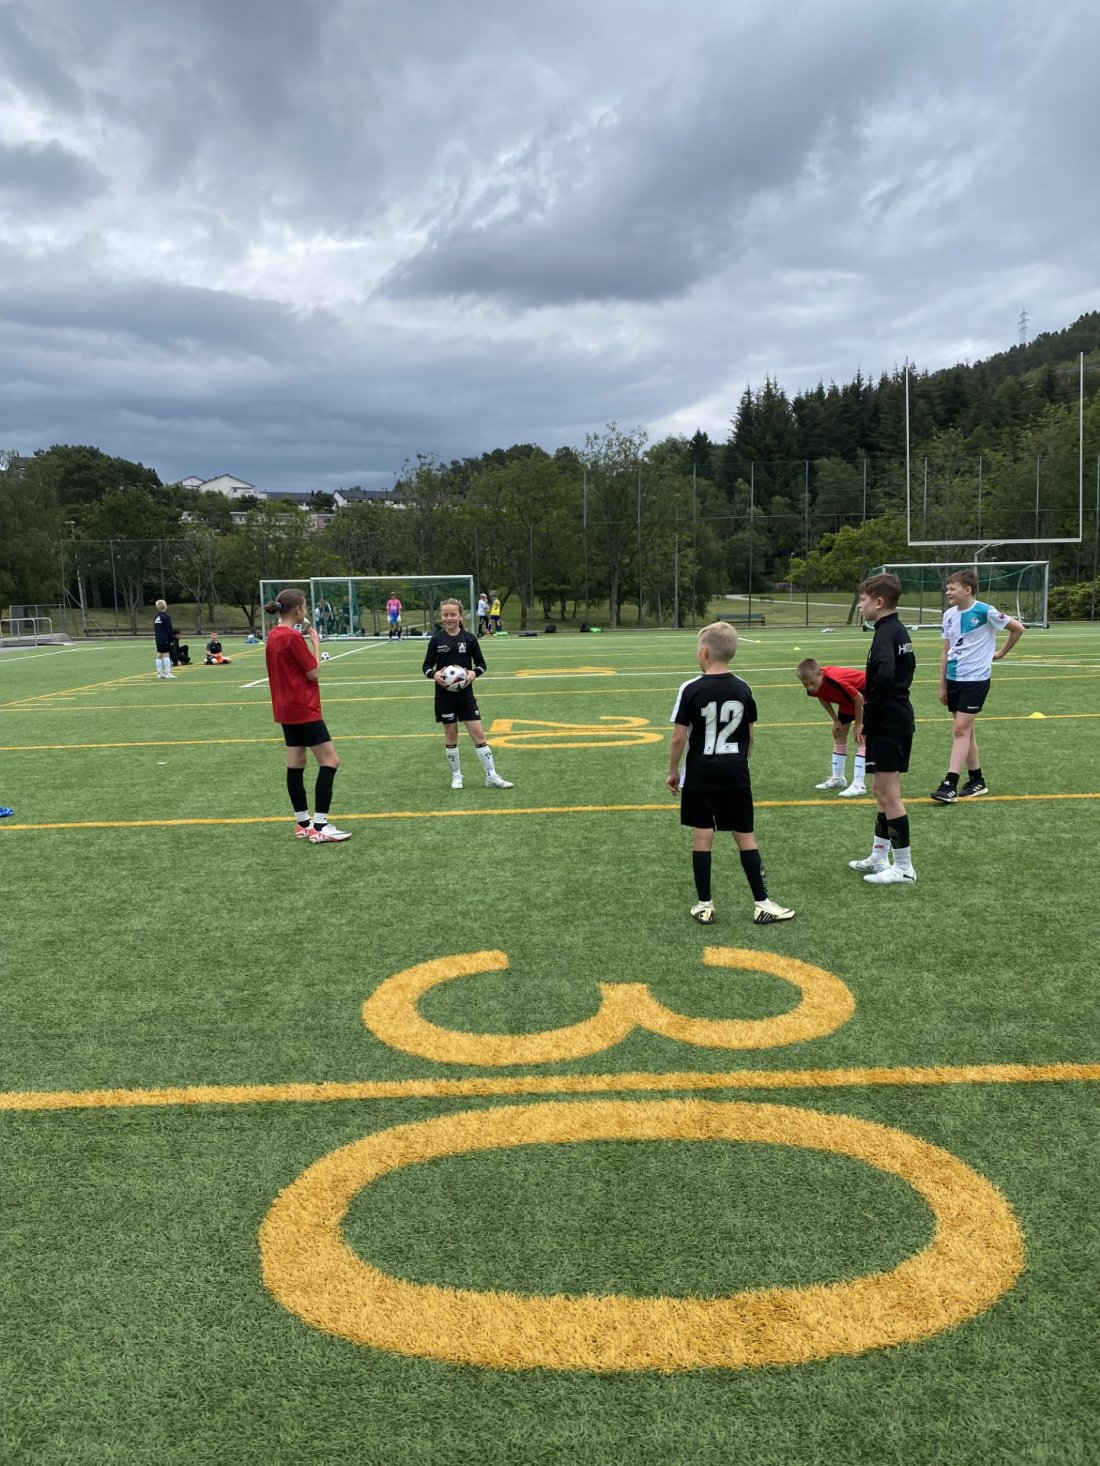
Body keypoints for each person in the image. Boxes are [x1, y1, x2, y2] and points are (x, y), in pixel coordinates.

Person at [666, 621, 794, 926]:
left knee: (702, 835)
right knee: (745, 835)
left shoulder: (690, 688)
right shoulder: (743, 687)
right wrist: (740, 762)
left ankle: (705, 905)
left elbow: (678, 738)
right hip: (735, 773)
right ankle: (762, 903)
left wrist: (673, 772)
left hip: (699, 773)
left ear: (705, 651)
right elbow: (750, 736)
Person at [264, 589, 351, 844]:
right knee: (330, 761)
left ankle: (303, 823)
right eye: (304, 607)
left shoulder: (274, 634)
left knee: (296, 763)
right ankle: (320, 825)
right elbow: (313, 673)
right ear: (299, 610)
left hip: (285, 708)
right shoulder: (292, 637)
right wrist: (315, 643)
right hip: (303, 707)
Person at [931, 569, 1025, 803]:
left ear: (967, 590)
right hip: (954, 679)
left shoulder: (985, 611)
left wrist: (1001, 653)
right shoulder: (949, 615)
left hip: (976, 680)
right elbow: (946, 651)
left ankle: (949, 784)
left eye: (952, 588)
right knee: (966, 731)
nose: (947, 592)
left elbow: (1018, 628)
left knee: (960, 730)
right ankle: (977, 780)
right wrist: (941, 684)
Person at [849, 574, 916, 885]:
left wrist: (867, 717)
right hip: (894, 718)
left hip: (889, 722)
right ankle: (879, 855)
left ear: (879, 602)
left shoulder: (885, 635)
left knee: (889, 794)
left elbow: (886, 676)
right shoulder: (896, 630)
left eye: (863, 599)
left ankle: (903, 866)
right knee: (881, 791)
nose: (860, 605)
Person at [421, 597, 513, 790]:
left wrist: (473, 673)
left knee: (478, 734)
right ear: (441, 617)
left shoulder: (469, 638)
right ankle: (456, 776)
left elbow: (482, 665)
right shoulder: (437, 639)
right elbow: (426, 666)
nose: (449, 618)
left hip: (465, 696)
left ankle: (491, 776)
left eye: (453, 614)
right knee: (451, 735)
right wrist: (434, 674)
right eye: (445, 615)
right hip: (444, 696)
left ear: (460, 615)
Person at [796, 658, 867, 796]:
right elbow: (821, 696)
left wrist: (859, 723)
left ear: (821, 674)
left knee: (861, 736)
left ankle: (859, 784)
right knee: (839, 734)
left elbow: (859, 698)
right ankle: (838, 778)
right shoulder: (815, 684)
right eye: (805, 685)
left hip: (867, 697)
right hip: (847, 701)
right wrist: (835, 720)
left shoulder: (836, 680)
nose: (810, 687)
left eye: (812, 683)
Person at [153, 599, 177, 679]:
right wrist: (171, 639)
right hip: (165, 638)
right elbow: (169, 628)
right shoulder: (166, 617)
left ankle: (159, 673)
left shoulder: (156, 617)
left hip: (158, 638)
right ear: (165, 606)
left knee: (159, 654)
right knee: (166, 654)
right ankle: (168, 673)